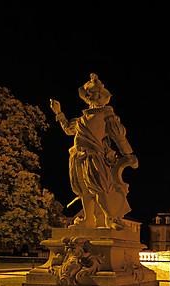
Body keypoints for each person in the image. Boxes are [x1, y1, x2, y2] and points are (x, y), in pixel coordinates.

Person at [49, 73, 137, 230]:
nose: (92, 97)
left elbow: (118, 134)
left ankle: (111, 217)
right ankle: (89, 219)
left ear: (102, 96)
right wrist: (59, 113)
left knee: (100, 188)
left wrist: (128, 154)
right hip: (77, 157)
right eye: (89, 94)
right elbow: (69, 130)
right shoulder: (82, 118)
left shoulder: (106, 113)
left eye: (95, 94)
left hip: (94, 156)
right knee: (84, 191)